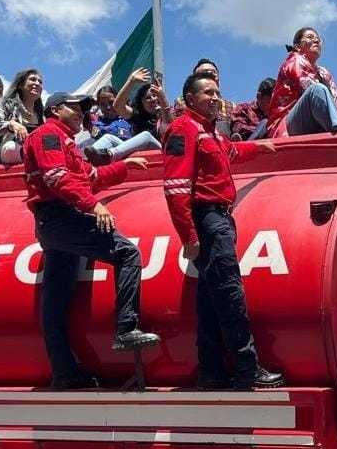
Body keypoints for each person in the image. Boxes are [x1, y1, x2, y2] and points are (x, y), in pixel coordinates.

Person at [23, 92, 158, 389]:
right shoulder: (48, 135)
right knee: (127, 253)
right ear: (56, 110)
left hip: (54, 222)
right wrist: (93, 205)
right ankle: (126, 328)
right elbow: (58, 178)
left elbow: (91, 176)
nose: (82, 113)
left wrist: (126, 166)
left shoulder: (66, 142)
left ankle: (64, 374)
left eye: (84, 109)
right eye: (75, 107)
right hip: (61, 216)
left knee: (55, 306)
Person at [162, 73, 283, 391]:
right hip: (208, 220)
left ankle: (211, 371)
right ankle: (247, 368)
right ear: (189, 98)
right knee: (230, 295)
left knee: (210, 300)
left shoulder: (211, 133)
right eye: (207, 93)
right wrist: (188, 234)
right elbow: (175, 187)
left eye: (217, 92)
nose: (215, 97)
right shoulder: (183, 129)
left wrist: (260, 147)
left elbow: (233, 152)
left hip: (219, 219)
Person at [266, 27, 337, 137]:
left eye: (318, 39)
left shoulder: (324, 72)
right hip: (288, 125)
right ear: (297, 46)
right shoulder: (294, 61)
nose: (316, 41)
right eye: (310, 37)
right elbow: (308, 88)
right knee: (317, 90)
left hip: (313, 121)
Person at [81, 84, 161, 166]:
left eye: (111, 102)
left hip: (135, 152)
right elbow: (83, 116)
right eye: (103, 104)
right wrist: (91, 102)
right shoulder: (97, 123)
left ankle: (106, 156)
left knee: (145, 135)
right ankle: (82, 165)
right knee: (104, 139)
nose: (108, 107)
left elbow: (121, 105)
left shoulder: (128, 118)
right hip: (116, 157)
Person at [0, 68, 45, 165]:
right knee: (10, 148)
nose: (37, 83)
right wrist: (11, 125)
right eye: (32, 79)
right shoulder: (6, 103)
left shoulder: (43, 114)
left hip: (37, 156)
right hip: (9, 155)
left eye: (40, 82)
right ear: (20, 85)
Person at [173, 59, 236, 138]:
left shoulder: (233, 107)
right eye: (205, 73)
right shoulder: (181, 103)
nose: (210, 76)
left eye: (213, 72)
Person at [112, 68, 173, 143]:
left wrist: (163, 99)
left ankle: (112, 153)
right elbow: (117, 106)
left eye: (155, 95)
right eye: (148, 98)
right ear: (141, 102)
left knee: (146, 136)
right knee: (108, 138)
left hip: (160, 151)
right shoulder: (137, 116)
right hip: (141, 153)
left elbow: (172, 127)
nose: (153, 99)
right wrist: (131, 81)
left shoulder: (167, 114)